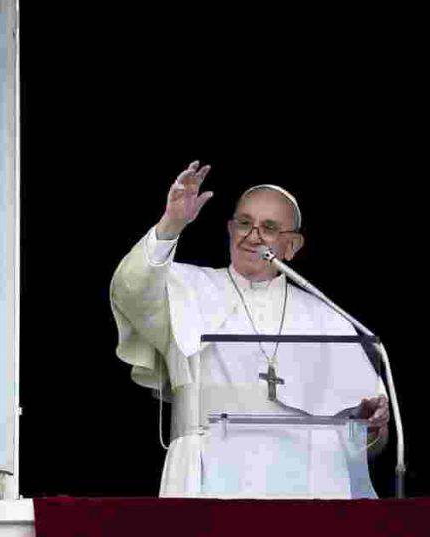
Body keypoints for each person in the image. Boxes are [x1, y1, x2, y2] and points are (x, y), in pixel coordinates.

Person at [110, 160, 390, 497]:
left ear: (293, 246)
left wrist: (368, 425)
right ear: (230, 229)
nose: (252, 236)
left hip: (308, 484)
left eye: (268, 228)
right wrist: (171, 224)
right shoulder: (187, 289)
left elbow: (371, 440)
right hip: (208, 478)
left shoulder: (326, 317)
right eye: (244, 223)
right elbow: (130, 290)